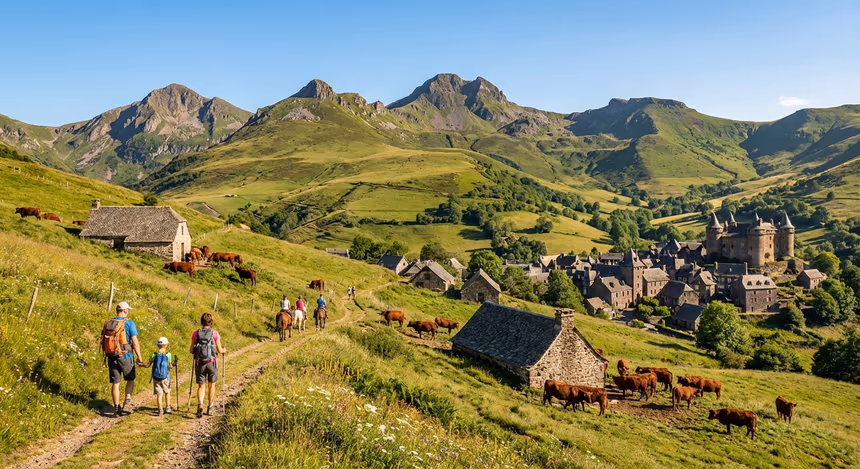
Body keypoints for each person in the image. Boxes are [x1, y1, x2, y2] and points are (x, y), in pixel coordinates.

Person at [102, 301, 144, 417]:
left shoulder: (108, 323)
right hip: (126, 356)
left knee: (116, 383)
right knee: (130, 379)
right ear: (125, 310)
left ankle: (116, 408)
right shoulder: (129, 323)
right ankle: (127, 401)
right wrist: (139, 357)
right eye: (128, 310)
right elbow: (134, 342)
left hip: (111, 357)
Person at [190, 313, 226, 418]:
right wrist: (224, 350)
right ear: (211, 322)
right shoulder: (215, 334)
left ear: (201, 322)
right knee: (212, 385)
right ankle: (209, 408)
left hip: (200, 363)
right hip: (211, 362)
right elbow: (219, 350)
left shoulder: (196, 334)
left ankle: (200, 403)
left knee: (201, 386)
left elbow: (191, 350)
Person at [139, 337, 177, 416]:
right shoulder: (168, 355)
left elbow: (147, 365)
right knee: (167, 392)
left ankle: (160, 410)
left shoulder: (154, 355)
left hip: (156, 377)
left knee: (159, 394)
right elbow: (170, 366)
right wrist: (175, 363)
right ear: (166, 345)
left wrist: (141, 364)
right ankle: (168, 407)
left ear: (158, 345)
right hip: (165, 377)